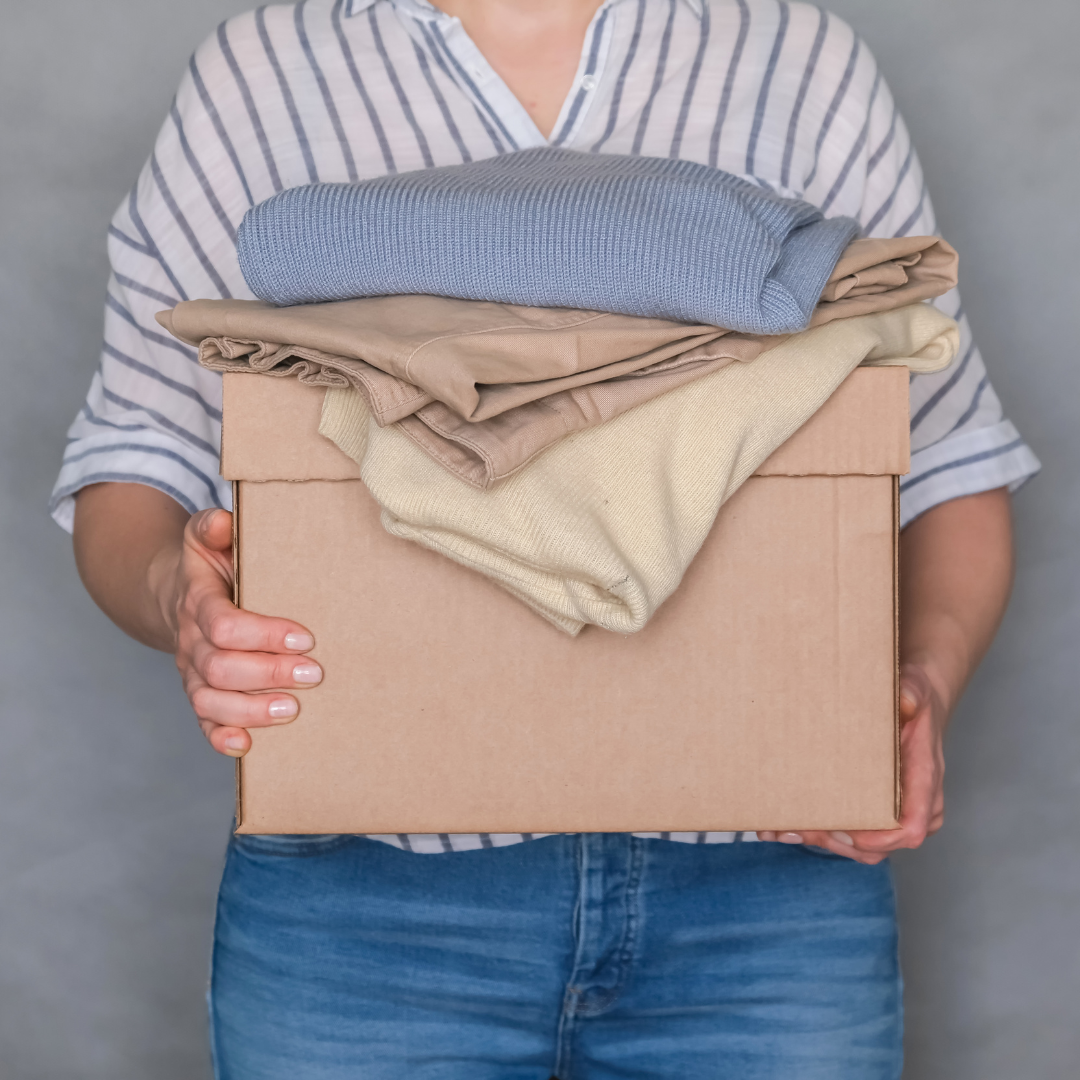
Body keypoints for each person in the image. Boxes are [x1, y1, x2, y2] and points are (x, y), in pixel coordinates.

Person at [56, 1, 1039, 1076]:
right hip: (365, 916)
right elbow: (137, 458)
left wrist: (921, 689)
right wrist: (179, 600)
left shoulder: (790, 56)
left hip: (769, 899)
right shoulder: (265, 71)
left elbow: (946, 465)